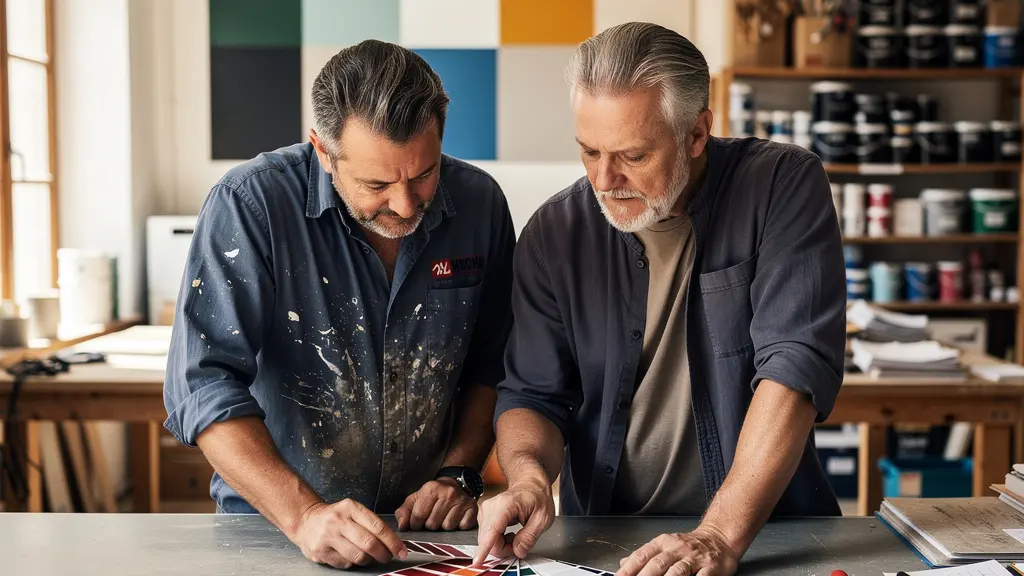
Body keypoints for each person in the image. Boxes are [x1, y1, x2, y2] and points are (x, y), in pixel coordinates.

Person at [475, 22, 845, 576]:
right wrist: (529, 479)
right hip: (605, 543)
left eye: (633, 155)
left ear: (697, 133)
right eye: (589, 151)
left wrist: (718, 535)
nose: (605, 179)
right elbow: (533, 394)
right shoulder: (555, 232)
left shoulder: (781, 186)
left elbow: (794, 366)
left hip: (766, 538)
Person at [163, 40, 515, 570]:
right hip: (276, 529)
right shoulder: (252, 204)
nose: (405, 205)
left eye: (424, 174)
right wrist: (304, 515)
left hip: (420, 534)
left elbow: (495, 362)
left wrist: (458, 473)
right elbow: (203, 384)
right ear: (323, 152)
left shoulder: (480, 204)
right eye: (377, 183)